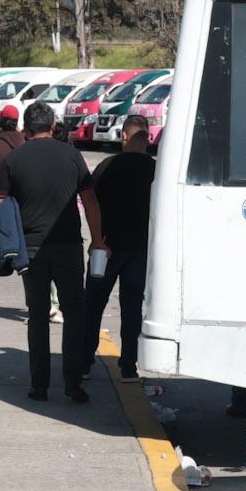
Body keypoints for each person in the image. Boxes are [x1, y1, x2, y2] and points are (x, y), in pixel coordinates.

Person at [2, 101, 106, 403]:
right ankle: (73, 384)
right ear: (54, 127)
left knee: (37, 316)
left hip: (30, 249)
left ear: (25, 128)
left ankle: (39, 386)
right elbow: (90, 201)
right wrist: (97, 239)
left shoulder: (14, 159)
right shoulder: (72, 156)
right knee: (74, 314)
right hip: (68, 247)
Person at [86, 119, 157, 370]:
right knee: (132, 307)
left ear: (124, 136)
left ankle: (84, 361)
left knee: (94, 304)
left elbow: (90, 200)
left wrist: (96, 238)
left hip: (106, 247)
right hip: (139, 249)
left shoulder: (107, 165)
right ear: (147, 139)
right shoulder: (155, 170)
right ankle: (128, 364)